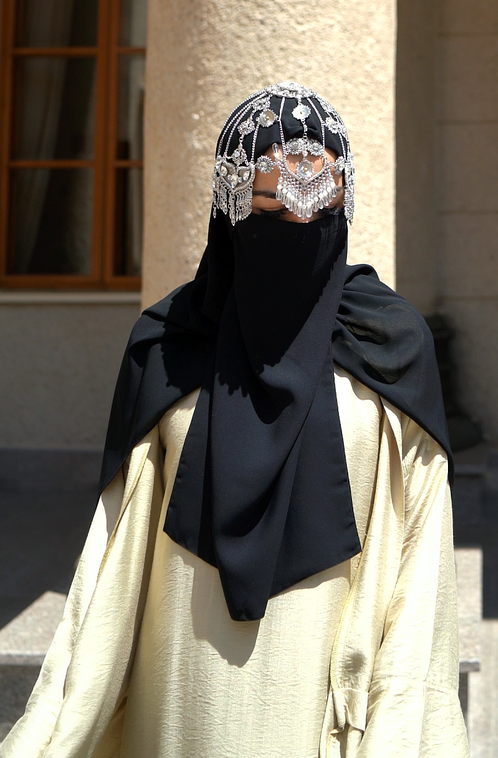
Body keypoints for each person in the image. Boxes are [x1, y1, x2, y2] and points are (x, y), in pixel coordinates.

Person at [2, 82, 470, 758]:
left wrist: (396, 733)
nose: (298, 227)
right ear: (230, 210)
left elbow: (422, 571)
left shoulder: (387, 348)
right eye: (273, 204)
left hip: (324, 701)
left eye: (322, 200)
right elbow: (113, 562)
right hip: (181, 698)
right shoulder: (168, 346)